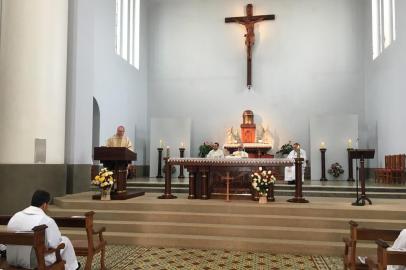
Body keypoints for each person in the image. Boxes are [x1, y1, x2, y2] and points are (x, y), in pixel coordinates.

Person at [7, 190, 80, 270]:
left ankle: (70, 266)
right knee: (65, 240)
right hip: (35, 262)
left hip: (12, 259)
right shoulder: (46, 220)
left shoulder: (15, 216)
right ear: (45, 205)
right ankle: (73, 267)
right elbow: (56, 243)